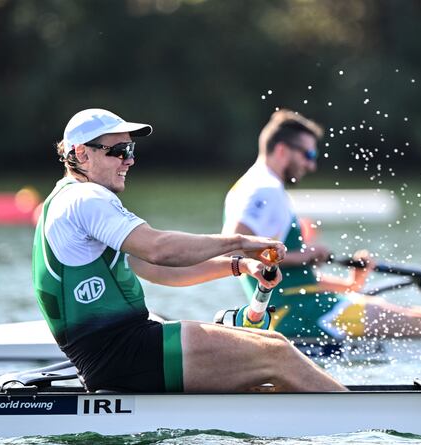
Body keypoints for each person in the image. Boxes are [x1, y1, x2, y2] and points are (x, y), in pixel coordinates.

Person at [33, 108, 346, 393]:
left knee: (261, 366)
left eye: (130, 150)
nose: (129, 160)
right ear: (81, 153)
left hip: (118, 352)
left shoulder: (68, 201)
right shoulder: (85, 199)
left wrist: (238, 265)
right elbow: (160, 249)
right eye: (118, 151)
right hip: (123, 352)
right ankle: (362, 422)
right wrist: (240, 242)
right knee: (276, 351)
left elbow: (160, 270)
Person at [222, 109, 421, 340]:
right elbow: (232, 251)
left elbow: (290, 276)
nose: (311, 165)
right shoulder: (264, 189)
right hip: (298, 314)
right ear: (282, 150)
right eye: (308, 154)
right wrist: (305, 255)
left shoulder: (254, 187)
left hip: (301, 308)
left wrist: (350, 283)